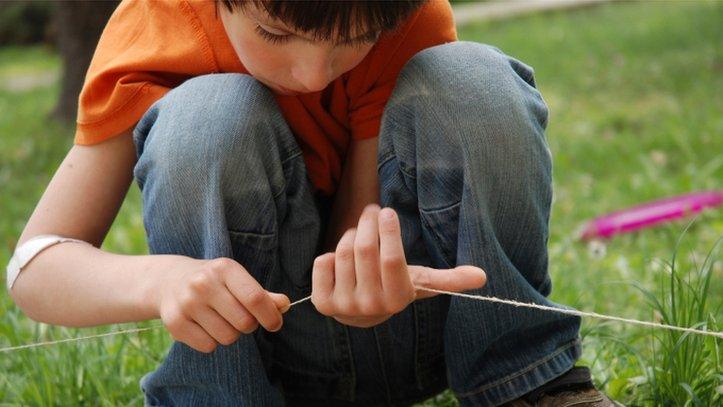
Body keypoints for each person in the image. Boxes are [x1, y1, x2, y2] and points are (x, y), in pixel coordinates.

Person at [7, 0, 618, 405]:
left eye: (351, 42)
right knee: (208, 115)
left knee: (473, 81)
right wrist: (160, 279)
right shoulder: (157, 26)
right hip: (262, 360)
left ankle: (531, 388)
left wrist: (364, 271)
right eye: (276, 33)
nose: (311, 74)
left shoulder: (398, 12)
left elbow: (358, 220)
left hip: (420, 327)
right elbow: (34, 270)